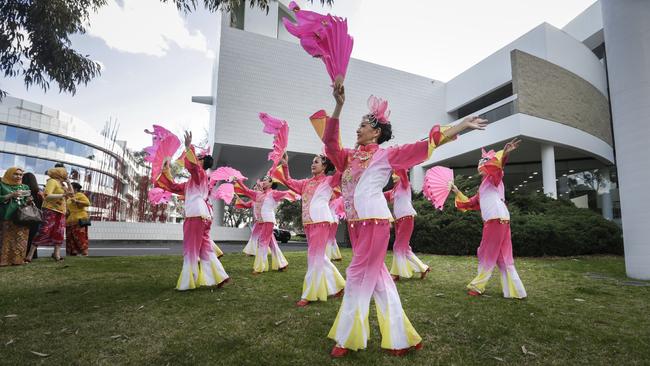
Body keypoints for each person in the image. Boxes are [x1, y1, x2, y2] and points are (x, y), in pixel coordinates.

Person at [317, 80, 486, 357]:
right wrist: (338, 105)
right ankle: (401, 338)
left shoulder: (386, 155)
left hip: (374, 222)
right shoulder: (347, 158)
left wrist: (460, 125)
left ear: (376, 132)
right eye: (358, 124)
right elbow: (329, 143)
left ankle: (347, 338)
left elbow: (424, 145)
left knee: (357, 274)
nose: (358, 128)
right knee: (380, 279)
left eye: (363, 125)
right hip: (356, 225)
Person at [452, 138, 527, 299]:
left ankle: (478, 286)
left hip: (495, 220)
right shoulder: (483, 187)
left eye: (484, 163)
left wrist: (505, 154)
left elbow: (498, 169)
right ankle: (516, 291)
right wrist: (457, 191)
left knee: (485, 253)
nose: (481, 166)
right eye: (480, 164)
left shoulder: (493, 179)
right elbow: (469, 203)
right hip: (500, 219)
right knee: (502, 256)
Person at [155, 131, 229, 290]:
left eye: (199, 157)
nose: (196, 159)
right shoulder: (194, 181)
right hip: (203, 216)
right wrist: (166, 170)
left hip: (196, 215)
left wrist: (189, 147)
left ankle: (188, 282)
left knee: (190, 248)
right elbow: (174, 186)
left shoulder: (200, 174)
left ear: (202, 162)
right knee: (204, 248)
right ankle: (220, 276)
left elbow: (193, 167)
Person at [275, 153, 345, 307]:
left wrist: (340, 155)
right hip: (308, 223)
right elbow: (288, 181)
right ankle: (338, 285)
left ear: (325, 166)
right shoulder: (306, 183)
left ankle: (309, 294)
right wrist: (285, 165)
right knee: (319, 257)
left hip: (321, 221)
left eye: (316, 162)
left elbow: (341, 170)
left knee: (313, 257)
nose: (313, 164)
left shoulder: (329, 181)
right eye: (312, 162)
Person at [234, 175, 294, 274]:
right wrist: (238, 181)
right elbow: (245, 190)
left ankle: (259, 268)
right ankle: (282, 264)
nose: (263, 182)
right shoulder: (258, 194)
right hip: (261, 222)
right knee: (272, 244)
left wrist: (298, 192)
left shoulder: (274, 193)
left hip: (268, 221)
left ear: (271, 183)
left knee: (262, 242)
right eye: (263, 180)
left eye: (266, 180)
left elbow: (287, 193)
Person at [385, 170, 430, 281]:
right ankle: (423, 268)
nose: (394, 176)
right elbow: (379, 195)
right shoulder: (393, 190)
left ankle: (396, 273)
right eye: (393, 174)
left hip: (407, 218)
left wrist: (401, 163)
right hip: (398, 221)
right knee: (405, 248)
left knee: (397, 246)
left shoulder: (405, 184)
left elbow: (403, 174)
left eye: (396, 173)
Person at [26, 167, 72, 262]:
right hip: (50, 209)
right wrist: (63, 195)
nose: (67, 174)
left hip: (61, 211)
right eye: (66, 173)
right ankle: (29, 255)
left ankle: (56, 254)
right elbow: (47, 195)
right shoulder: (52, 181)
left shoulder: (62, 184)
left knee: (59, 233)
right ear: (60, 173)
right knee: (44, 230)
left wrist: (68, 183)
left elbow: (71, 195)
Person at [0, 167, 31, 266]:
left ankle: (18, 260)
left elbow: (25, 201)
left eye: (21, 175)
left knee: (21, 238)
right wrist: (11, 195)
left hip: (22, 216)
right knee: (6, 239)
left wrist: (29, 200)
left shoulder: (25, 187)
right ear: (9, 174)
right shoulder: (2, 184)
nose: (19, 176)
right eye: (16, 174)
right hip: (7, 215)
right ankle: (4, 261)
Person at [21, 172, 43, 260]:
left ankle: (23, 254)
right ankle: (33, 255)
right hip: (36, 217)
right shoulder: (39, 192)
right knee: (33, 236)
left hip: (25, 216)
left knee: (25, 236)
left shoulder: (24, 191)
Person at [65, 182, 91, 256]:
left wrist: (76, 201)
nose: (68, 188)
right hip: (70, 220)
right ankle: (72, 254)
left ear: (75, 189)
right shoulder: (70, 197)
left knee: (80, 237)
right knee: (70, 238)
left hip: (80, 218)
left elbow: (87, 203)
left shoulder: (80, 195)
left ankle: (84, 253)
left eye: (70, 187)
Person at [326, 196, 343, 261]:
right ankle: (336, 255)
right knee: (332, 239)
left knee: (329, 239)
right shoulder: (336, 201)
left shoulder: (330, 202)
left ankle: (328, 256)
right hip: (334, 221)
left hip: (331, 221)